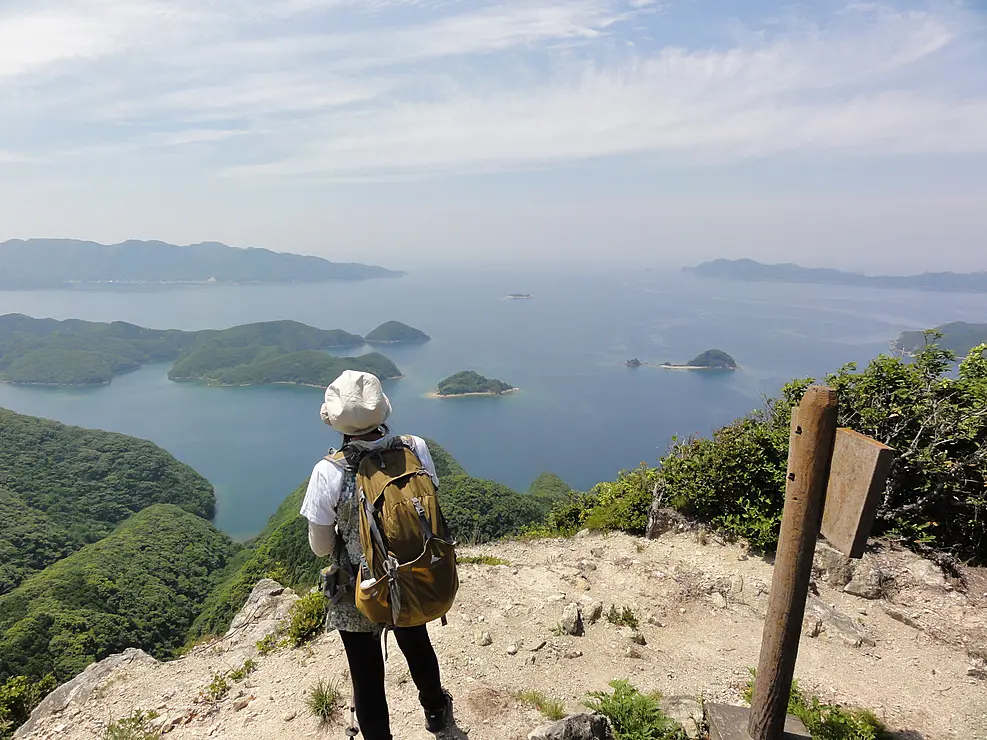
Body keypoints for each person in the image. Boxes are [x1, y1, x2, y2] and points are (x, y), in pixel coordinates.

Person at [300, 370, 452, 739]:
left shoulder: (329, 471)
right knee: (416, 643)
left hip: (359, 588)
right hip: (410, 572)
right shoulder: (414, 447)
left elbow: (320, 547)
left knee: (366, 675)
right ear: (382, 410)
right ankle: (434, 709)